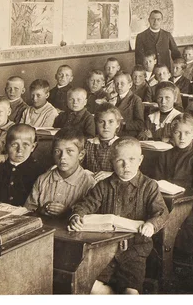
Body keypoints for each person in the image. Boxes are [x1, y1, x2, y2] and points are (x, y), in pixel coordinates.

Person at [68, 137, 169, 294]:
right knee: (91, 288)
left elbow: (161, 212)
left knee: (131, 293)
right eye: (120, 160)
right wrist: (77, 215)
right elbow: (86, 204)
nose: (126, 165)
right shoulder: (103, 185)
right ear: (111, 161)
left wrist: (151, 224)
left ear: (140, 160)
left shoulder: (149, 186)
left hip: (135, 250)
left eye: (131, 159)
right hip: (106, 249)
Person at [25, 128, 96, 217]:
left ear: (81, 155)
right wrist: (41, 210)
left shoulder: (90, 183)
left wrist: (67, 212)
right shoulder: (42, 180)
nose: (62, 157)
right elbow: (27, 212)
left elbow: (91, 218)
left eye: (69, 151)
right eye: (57, 151)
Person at [0, 124, 46, 205]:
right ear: (6, 146)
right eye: (14, 144)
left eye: (26, 145)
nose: (19, 150)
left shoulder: (39, 172)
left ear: (33, 147)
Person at [153, 113, 193, 192]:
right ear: (172, 133)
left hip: (188, 201)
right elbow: (157, 183)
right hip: (164, 199)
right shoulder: (164, 156)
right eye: (177, 132)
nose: (182, 137)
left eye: (187, 133)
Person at [84, 103, 122, 174]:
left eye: (111, 122)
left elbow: (128, 172)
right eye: (101, 122)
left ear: (117, 124)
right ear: (96, 123)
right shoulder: (87, 144)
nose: (106, 126)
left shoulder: (122, 145)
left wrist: (110, 175)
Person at [112, 72, 145, 137]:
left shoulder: (136, 100)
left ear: (130, 85)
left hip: (128, 135)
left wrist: (123, 124)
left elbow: (140, 124)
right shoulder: (113, 99)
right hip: (114, 134)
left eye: (122, 84)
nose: (119, 86)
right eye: (116, 84)